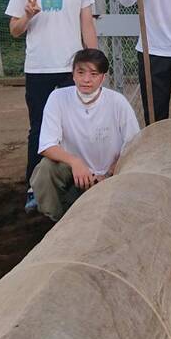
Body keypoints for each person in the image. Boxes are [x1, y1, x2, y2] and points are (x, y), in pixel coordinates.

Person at [6, 0, 97, 213]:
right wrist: (28, 16)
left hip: (71, 68)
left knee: (77, 127)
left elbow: (87, 23)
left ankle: (80, 180)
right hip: (39, 67)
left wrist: (93, 63)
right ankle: (34, 187)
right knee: (39, 128)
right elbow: (14, 30)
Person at [30, 49, 139, 222]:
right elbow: (46, 145)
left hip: (110, 175)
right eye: (80, 72)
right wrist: (76, 162)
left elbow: (134, 145)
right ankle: (56, 221)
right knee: (45, 169)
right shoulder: (57, 98)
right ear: (73, 74)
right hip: (75, 174)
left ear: (103, 77)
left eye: (93, 74)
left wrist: (110, 172)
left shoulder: (117, 102)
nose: (86, 79)